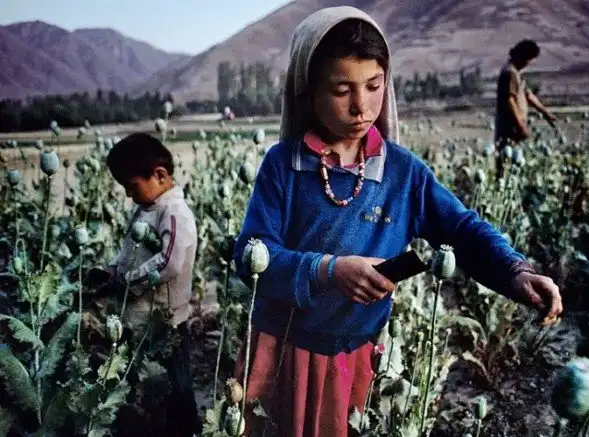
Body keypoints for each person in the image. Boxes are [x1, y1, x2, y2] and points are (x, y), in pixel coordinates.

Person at [232, 7, 563, 437]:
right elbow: (250, 256)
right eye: (342, 90)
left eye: (374, 86)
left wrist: (514, 271)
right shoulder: (283, 166)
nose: (361, 106)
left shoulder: (403, 173)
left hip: (357, 355)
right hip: (284, 349)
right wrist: (328, 270)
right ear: (307, 92)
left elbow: (462, 229)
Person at [90, 133, 201, 437]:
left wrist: (127, 281)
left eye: (132, 186)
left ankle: (187, 430)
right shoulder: (148, 207)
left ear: (160, 176)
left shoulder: (175, 213)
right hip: (138, 318)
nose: (129, 195)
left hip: (166, 320)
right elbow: (130, 250)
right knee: (137, 379)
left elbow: (170, 262)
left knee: (177, 385)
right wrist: (112, 270)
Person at [495, 39, 556, 175]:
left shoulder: (517, 74)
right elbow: (510, 100)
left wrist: (545, 112)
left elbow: (528, 94)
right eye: (528, 59)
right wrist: (521, 126)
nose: (528, 63)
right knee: (505, 167)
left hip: (515, 129)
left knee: (514, 168)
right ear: (521, 55)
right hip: (509, 129)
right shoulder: (509, 73)